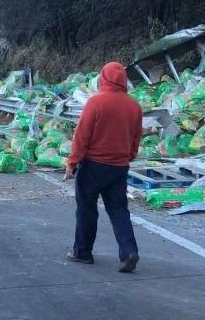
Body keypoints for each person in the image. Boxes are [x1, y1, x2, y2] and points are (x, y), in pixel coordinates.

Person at [63, 61, 142, 273]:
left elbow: (82, 136)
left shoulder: (95, 103)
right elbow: (136, 138)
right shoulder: (134, 106)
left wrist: (72, 162)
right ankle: (128, 252)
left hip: (92, 166)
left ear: (103, 78)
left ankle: (82, 252)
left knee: (87, 209)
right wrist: (128, 156)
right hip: (119, 167)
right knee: (118, 210)